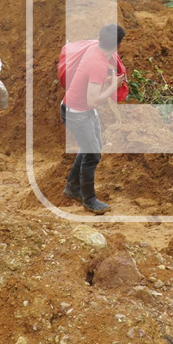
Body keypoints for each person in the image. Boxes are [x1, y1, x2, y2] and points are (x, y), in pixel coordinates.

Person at [60, 24, 127, 215]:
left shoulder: (94, 48)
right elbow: (93, 98)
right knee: (93, 155)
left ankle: (72, 187)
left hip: (82, 110)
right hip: (78, 113)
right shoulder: (99, 64)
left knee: (92, 146)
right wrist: (113, 86)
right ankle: (89, 200)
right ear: (118, 45)